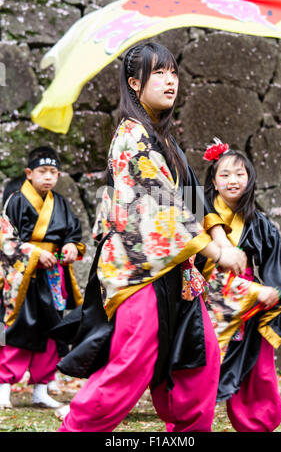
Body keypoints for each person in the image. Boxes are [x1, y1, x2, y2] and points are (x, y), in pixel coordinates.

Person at [56, 42, 247, 433]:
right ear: (134, 83)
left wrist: (220, 237)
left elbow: (191, 197)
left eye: (173, 72)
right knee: (131, 365)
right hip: (139, 271)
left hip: (178, 273)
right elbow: (161, 208)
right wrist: (215, 249)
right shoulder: (130, 138)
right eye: (158, 72)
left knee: (201, 361)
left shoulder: (166, 142)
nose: (169, 80)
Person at [196, 139, 281, 432]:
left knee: (259, 370)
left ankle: (256, 424)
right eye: (225, 174)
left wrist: (278, 290)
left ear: (250, 179)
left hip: (248, 309)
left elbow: (280, 264)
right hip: (203, 301)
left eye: (240, 174)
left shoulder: (260, 223)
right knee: (195, 371)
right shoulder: (193, 215)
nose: (232, 180)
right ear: (213, 181)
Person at [0, 146, 85, 409]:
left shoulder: (60, 202)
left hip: (52, 276)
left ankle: (41, 387)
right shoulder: (15, 200)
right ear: (29, 173)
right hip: (22, 276)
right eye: (42, 171)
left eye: (53, 172)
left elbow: (73, 233)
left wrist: (72, 246)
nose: (48, 177)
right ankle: (4, 388)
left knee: (52, 329)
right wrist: (34, 253)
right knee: (17, 329)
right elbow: (5, 238)